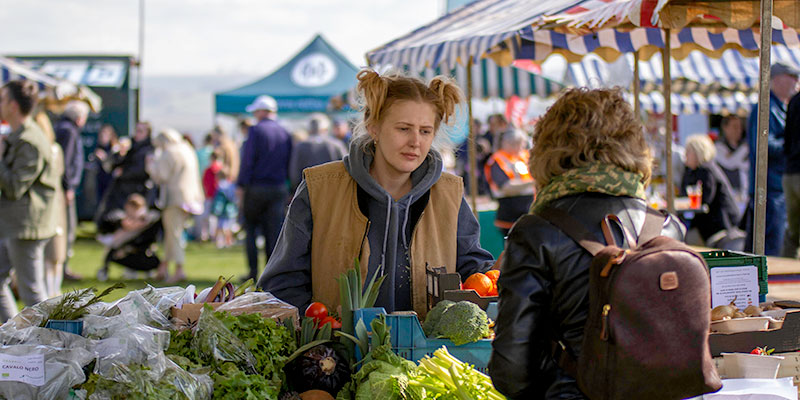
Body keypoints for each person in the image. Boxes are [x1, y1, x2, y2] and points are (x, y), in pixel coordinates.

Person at [488, 88, 685, 398]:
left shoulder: (535, 232)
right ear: (634, 143)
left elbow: (511, 370)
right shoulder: (668, 228)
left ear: (547, 148)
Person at [257, 69, 494, 316]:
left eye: (425, 131)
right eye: (403, 129)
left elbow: (475, 274)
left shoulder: (449, 194)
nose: (416, 141)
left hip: (426, 353)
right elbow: (283, 283)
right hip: (337, 352)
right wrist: (321, 335)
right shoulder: (320, 187)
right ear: (374, 128)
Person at [0, 80, 59, 321]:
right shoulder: (20, 136)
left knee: (32, 294)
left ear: (13, 106)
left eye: (2, 99)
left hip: (26, 228)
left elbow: (14, 187)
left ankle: (55, 345)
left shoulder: (30, 141)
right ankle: (13, 338)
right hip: (13, 224)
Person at [743, 63, 800, 255]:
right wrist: (791, 145)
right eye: (791, 76)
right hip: (768, 188)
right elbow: (762, 146)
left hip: (775, 187)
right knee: (771, 248)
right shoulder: (765, 108)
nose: (796, 81)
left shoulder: (779, 107)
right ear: (776, 79)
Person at [237, 95, 293, 282]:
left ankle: (253, 273)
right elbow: (289, 163)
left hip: (256, 188)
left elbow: (248, 161)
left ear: (261, 111)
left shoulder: (255, 131)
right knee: (273, 233)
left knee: (251, 230)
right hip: (277, 188)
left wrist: (241, 185)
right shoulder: (285, 133)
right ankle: (270, 274)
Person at [146, 128, 204, 283]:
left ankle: (179, 269)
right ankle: (163, 268)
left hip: (174, 198)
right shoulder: (187, 148)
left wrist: (151, 166)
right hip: (189, 197)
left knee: (174, 234)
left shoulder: (169, 152)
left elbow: (161, 176)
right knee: (174, 234)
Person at [681, 134, 743, 250]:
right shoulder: (693, 171)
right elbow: (684, 193)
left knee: (688, 238)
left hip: (721, 226)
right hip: (710, 223)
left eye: (688, 152)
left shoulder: (707, 170)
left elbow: (705, 201)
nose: (685, 156)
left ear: (697, 153)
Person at [96, 121, 155, 233]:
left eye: (141, 131)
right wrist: (119, 153)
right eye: (136, 130)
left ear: (147, 133)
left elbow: (142, 170)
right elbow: (111, 165)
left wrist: (123, 173)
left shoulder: (148, 150)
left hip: (136, 191)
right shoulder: (129, 146)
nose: (137, 133)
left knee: (133, 220)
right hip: (120, 192)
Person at [55, 100, 89, 281]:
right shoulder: (68, 131)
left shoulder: (65, 128)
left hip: (65, 188)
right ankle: (62, 268)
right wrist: (68, 187)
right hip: (64, 189)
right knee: (67, 227)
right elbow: (65, 163)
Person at [37, 112, 67, 298]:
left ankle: (51, 290)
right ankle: (51, 289)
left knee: (53, 249)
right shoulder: (55, 149)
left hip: (48, 201)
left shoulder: (50, 150)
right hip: (54, 200)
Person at [484, 129, 535, 236]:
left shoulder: (524, 157)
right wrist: (532, 182)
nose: (520, 147)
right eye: (517, 144)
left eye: (522, 144)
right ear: (507, 143)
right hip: (510, 215)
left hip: (529, 212)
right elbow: (505, 187)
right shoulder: (497, 160)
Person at [288, 113, 347, 189]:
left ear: (309, 129)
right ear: (326, 128)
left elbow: (294, 174)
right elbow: (346, 169)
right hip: (333, 190)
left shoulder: (301, 146)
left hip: (308, 190)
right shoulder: (336, 145)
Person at [714, 115, 748, 211]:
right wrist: (745, 147)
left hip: (744, 194)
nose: (738, 130)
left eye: (740, 127)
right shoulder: (719, 146)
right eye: (734, 127)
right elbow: (730, 163)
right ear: (725, 128)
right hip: (728, 195)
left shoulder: (742, 146)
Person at [783, 89, 800, 258]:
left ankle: (787, 269)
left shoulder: (794, 100)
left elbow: (786, 139)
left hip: (790, 173)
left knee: (793, 232)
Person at [92, 124, 119, 207]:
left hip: (111, 181)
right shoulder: (99, 147)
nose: (103, 137)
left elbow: (110, 166)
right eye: (102, 134)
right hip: (100, 179)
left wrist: (104, 158)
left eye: (106, 134)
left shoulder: (115, 149)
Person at [212, 168, 238, 248]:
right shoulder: (231, 186)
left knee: (221, 227)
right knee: (228, 227)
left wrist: (215, 209)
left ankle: (219, 241)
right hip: (231, 210)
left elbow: (219, 200)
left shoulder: (221, 187)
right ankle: (229, 241)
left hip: (222, 210)